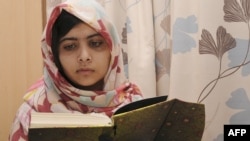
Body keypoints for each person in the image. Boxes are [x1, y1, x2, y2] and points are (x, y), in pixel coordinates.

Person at [9, 0, 143, 140]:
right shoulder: (31, 114)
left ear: (112, 49)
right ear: (54, 56)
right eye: (70, 46)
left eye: (95, 43)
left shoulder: (135, 104)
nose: (84, 57)